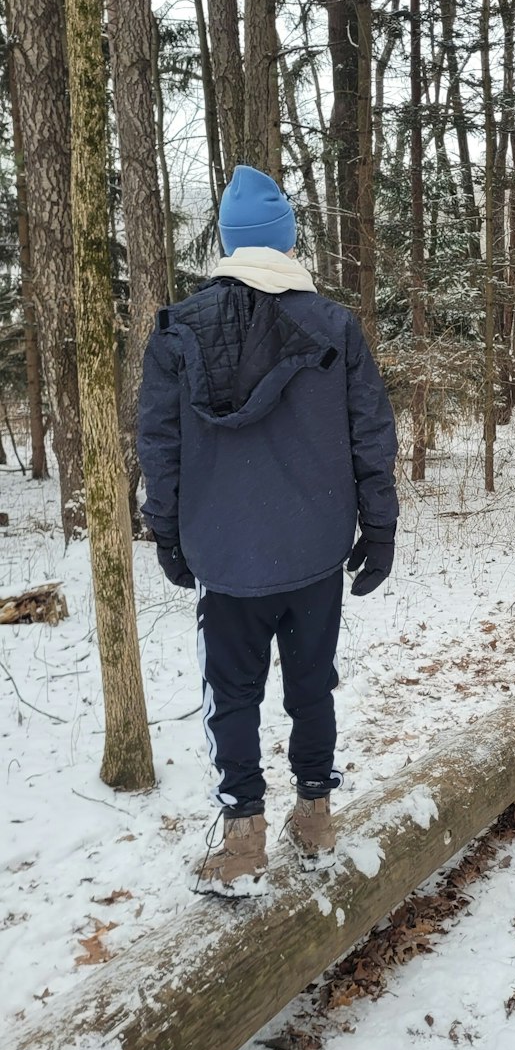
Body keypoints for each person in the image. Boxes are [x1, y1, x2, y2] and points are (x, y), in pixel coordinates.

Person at [138, 164, 399, 895]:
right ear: (285, 244)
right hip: (314, 551)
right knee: (312, 687)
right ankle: (315, 814)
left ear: (230, 243)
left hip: (225, 554)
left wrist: (168, 530)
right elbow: (370, 436)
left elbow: (159, 445)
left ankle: (244, 836)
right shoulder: (333, 327)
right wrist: (378, 529)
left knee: (233, 695)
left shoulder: (175, 331)